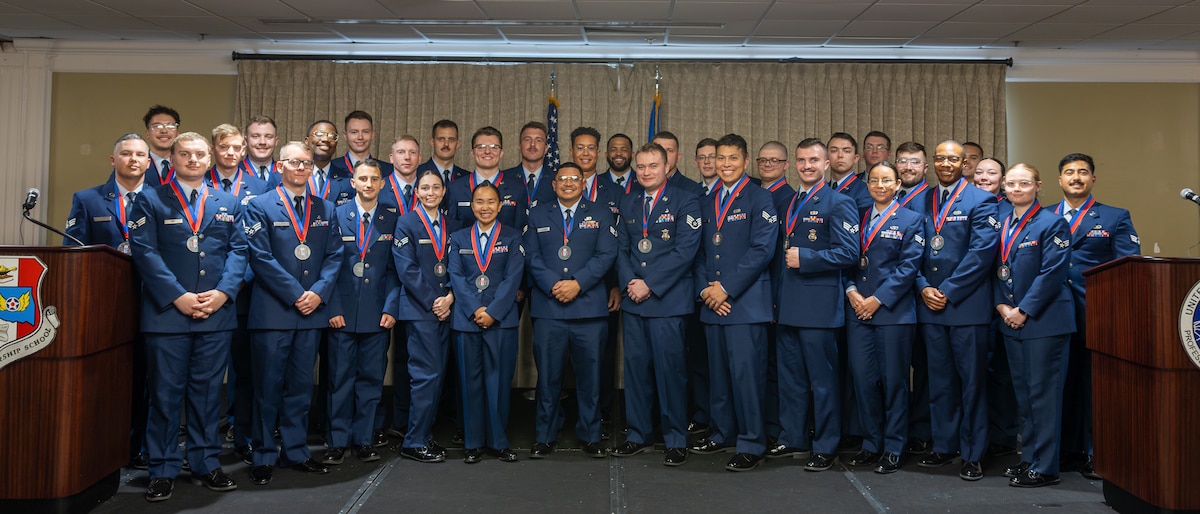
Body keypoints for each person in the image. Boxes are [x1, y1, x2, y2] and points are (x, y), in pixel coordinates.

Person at [128, 131, 247, 502]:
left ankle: (205, 462)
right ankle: (162, 468)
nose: (192, 160)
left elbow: (240, 251)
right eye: (185, 154)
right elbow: (144, 253)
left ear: (209, 158)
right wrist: (177, 296)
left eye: (199, 154)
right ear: (172, 158)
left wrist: (225, 292)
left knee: (208, 393)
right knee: (164, 395)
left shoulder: (229, 201)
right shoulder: (150, 199)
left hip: (215, 313)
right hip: (168, 315)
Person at [243, 141, 343, 485]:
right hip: (273, 312)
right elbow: (260, 257)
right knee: (267, 388)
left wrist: (317, 293)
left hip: (311, 312)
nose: (301, 168)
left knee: (301, 388)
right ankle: (263, 454)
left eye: (306, 164)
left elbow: (334, 257)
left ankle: (297, 451)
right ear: (279, 167)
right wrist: (296, 293)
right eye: (294, 162)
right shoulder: (259, 206)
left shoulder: (326, 209)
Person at [688, 134, 778, 472]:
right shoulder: (706, 200)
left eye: (732, 158)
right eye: (720, 158)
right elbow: (696, 252)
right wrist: (706, 292)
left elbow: (762, 251)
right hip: (712, 304)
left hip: (745, 304)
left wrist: (725, 288)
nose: (725, 164)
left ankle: (752, 441)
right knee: (719, 377)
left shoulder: (760, 198)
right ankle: (722, 432)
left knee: (747, 377)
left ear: (745, 160)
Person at [611, 142, 702, 467]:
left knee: (670, 373)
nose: (646, 172)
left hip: (668, 302)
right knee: (636, 372)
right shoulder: (629, 201)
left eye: (653, 166)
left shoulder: (686, 200)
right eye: (642, 167)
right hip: (635, 301)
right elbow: (621, 249)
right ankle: (638, 435)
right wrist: (631, 284)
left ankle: (675, 438)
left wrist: (650, 284)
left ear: (667, 167)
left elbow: (685, 251)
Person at [64, 133, 152, 468]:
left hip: (151, 304)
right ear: (112, 160)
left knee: (146, 379)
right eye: (126, 154)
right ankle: (104, 446)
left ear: (148, 162)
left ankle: (140, 446)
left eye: (139, 155)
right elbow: (74, 252)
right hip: (104, 306)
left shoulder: (162, 201)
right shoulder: (87, 199)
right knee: (105, 378)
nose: (133, 160)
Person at [771, 138, 859, 471]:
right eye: (802, 160)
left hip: (819, 307)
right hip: (789, 303)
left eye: (814, 160)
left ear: (826, 164)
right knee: (790, 378)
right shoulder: (791, 201)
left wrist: (807, 257)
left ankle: (826, 444)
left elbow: (850, 252)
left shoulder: (839, 202)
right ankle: (792, 436)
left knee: (823, 382)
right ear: (794, 164)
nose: (807, 166)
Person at [914, 140, 999, 481]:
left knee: (972, 384)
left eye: (953, 159)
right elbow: (911, 250)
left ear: (964, 163)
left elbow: (982, 253)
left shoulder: (983, 199)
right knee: (940, 382)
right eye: (940, 158)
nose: (946, 164)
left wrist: (946, 291)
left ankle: (973, 453)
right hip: (929, 305)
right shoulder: (921, 199)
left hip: (965, 306)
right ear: (933, 163)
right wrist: (922, 286)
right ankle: (944, 445)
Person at [1054, 153, 1139, 478]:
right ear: (1060, 180)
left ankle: (1094, 453)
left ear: (1092, 179)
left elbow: (1127, 267)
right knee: (1060, 385)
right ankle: (1063, 451)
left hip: (1095, 314)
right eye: (1069, 172)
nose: (1076, 177)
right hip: (1052, 314)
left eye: (1083, 172)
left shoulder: (1115, 217)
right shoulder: (1044, 216)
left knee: (1094, 386)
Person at [525, 162, 616, 459]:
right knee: (548, 377)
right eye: (562, 179)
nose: (567, 183)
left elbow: (607, 255)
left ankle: (590, 434)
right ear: (553, 184)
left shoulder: (600, 212)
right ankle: (545, 435)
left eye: (573, 179)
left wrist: (578, 284)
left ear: (583, 183)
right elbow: (532, 257)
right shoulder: (538, 213)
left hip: (588, 310)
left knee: (590, 378)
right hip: (549, 309)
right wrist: (554, 284)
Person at [992, 163, 1075, 488]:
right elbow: (996, 269)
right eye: (1011, 183)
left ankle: (1046, 466)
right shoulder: (1001, 222)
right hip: (1010, 320)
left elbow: (1052, 274)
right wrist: (1001, 306)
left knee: (1044, 395)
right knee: (1024, 395)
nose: (1016, 188)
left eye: (1023, 183)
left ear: (1038, 186)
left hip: (1044, 321)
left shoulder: (1052, 223)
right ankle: (1029, 458)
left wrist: (1023, 309)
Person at [842, 161, 924, 474]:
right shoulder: (857, 217)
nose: (879, 185)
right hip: (857, 311)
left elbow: (909, 267)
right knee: (863, 382)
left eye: (886, 180)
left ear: (897, 183)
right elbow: (847, 260)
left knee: (894, 383)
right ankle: (870, 443)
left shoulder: (911, 219)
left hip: (893, 314)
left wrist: (877, 300)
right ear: (867, 184)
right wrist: (851, 291)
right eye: (874, 180)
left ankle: (894, 446)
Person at [322, 159, 400, 465]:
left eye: (374, 179)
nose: (368, 184)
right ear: (352, 182)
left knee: (371, 380)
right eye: (363, 179)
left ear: (383, 184)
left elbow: (396, 270)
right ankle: (337, 440)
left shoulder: (392, 217)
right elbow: (327, 266)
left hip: (377, 314)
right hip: (341, 312)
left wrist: (391, 307)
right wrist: (332, 307)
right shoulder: (336, 215)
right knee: (339, 380)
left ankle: (365, 439)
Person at [204, 123, 268, 465]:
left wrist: (234, 284)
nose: (230, 153)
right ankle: (202, 443)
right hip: (197, 294)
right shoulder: (197, 180)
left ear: (243, 151)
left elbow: (259, 242)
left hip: (242, 294)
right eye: (224, 147)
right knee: (204, 375)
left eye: (236, 148)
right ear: (214, 148)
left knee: (244, 373)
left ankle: (243, 437)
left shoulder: (260, 186)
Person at [448, 181, 525, 463]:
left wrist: (492, 311)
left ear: (500, 205)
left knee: (499, 382)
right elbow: (456, 277)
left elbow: (513, 278)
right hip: (467, 321)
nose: (485, 207)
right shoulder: (457, 238)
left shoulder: (514, 237)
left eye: (491, 202)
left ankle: (498, 441)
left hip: (500, 321)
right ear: (472, 205)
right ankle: (472, 443)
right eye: (479, 202)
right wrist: (475, 309)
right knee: (470, 382)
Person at [393, 170, 457, 463]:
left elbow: (458, 266)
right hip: (421, 310)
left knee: (437, 376)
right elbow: (407, 271)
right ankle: (414, 440)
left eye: (436, 188)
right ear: (416, 192)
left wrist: (451, 297)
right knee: (424, 376)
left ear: (443, 192)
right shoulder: (406, 223)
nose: (430, 192)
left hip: (447, 309)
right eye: (425, 188)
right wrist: (435, 302)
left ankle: (424, 435)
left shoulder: (452, 224)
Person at [970, 156, 1019, 459]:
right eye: (979, 172)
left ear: (1001, 180)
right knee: (974, 374)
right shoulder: (965, 204)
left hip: (1005, 302)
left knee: (1002, 373)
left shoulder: (1010, 210)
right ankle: (975, 435)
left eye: (992, 173)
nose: (985, 177)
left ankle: (1003, 436)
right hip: (971, 299)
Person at [893, 141, 932, 455]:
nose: (908, 167)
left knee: (924, 367)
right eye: (903, 161)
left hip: (924, 297)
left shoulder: (932, 200)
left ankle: (921, 430)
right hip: (888, 302)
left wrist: (920, 285)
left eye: (914, 162)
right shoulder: (883, 197)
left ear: (925, 168)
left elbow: (923, 255)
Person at [446, 126, 528, 229]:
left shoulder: (517, 188)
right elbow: (451, 227)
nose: (487, 151)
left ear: (501, 153)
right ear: (472, 153)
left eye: (494, 147)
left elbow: (519, 230)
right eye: (481, 147)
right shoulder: (455, 188)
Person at [502, 121, 556, 207]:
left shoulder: (556, 180)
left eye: (538, 140)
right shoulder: (504, 178)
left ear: (546, 149)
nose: (532, 144)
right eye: (527, 139)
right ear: (519, 146)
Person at [330, 110, 393, 180]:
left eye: (365, 132)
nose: (360, 137)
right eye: (354, 132)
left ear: (372, 135)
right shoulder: (331, 168)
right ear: (345, 135)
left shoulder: (389, 171)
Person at [827, 132, 872, 215]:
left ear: (855, 158)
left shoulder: (865, 191)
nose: (840, 155)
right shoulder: (822, 189)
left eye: (847, 151)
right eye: (834, 151)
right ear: (826, 157)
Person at [417, 119, 470, 183]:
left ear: (458, 144)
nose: (446, 144)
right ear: (432, 142)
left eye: (451, 139)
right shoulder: (417, 173)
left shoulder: (467, 178)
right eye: (441, 139)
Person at [653, 131, 704, 197]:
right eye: (659, 150)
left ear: (678, 157)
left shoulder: (693, 190)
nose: (664, 155)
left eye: (669, 151)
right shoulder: (639, 188)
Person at [143, 105, 180, 185]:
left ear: (177, 133)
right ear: (147, 133)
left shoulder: (186, 163)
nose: (164, 131)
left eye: (170, 126)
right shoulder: (137, 164)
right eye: (156, 126)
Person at [242, 115, 280, 186]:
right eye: (255, 136)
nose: (262, 142)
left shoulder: (285, 173)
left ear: (276, 141)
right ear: (246, 141)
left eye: (268, 137)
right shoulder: (234, 172)